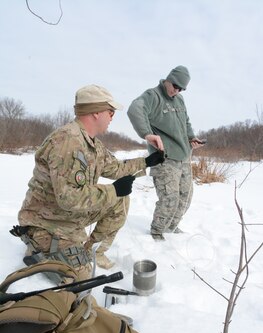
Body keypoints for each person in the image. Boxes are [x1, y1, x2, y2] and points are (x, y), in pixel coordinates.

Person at [11, 84, 164, 277]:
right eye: (110, 111)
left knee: (120, 200)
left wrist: (147, 161)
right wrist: (113, 190)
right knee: (80, 277)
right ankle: (39, 248)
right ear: (95, 112)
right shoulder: (68, 141)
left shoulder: (92, 144)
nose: (112, 117)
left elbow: (115, 168)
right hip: (47, 222)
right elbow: (67, 198)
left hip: (69, 215)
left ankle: (91, 251)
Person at [127, 65, 204, 241]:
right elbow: (135, 109)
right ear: (169, 79)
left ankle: (171, 227)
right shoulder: (153, 96)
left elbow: (186, 122)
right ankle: (157, 232)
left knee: (185, 198)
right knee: (170, 198)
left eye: (181, 89)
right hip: (165, 158)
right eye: (175, 86)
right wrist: (147, 133)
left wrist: (191, 138)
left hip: (184, 156)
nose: (176, 91)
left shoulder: (180, 100)